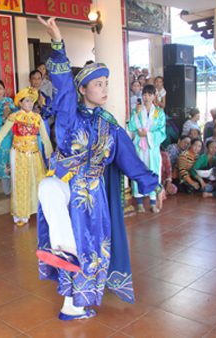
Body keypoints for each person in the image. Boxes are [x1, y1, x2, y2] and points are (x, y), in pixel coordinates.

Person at [35, 17, 165, 321]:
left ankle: (73, 303)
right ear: (83, 89)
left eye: (106, 83)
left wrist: (153, 185)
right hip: (69, 188)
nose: (104, 89)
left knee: (89, 251)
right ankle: (62, 254)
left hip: (94, 202)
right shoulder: (69, 114)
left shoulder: (110, 125)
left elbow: (130, 160)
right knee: (48, 190)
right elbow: (63, 82)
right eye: (98, 84)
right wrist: (57, 42)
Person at [0, 87, 52, 226]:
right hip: (19, 153)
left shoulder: (37, 117)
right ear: (20, 103)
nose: (30, 104)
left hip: (35, 154)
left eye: (32, 101)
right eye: (27, 101)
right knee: (20, 182)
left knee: (39, 181)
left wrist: (49, 155)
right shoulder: (15, 117)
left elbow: (45, 138)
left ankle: (42, 211)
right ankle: (21, 215)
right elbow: (2, 133)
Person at [129, 84, 166, 213]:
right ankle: (139, 202)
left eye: (150, 94)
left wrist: (148, 135)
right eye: (144, 94)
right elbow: (132, 127)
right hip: (139, 145)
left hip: (152, 147)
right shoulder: (137, 110)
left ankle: (153, 202)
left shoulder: (159, 113)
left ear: (154, 96)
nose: (147, 97)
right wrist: (137, 113)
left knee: (153, 171)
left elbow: (162, 132)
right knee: (139, 170)